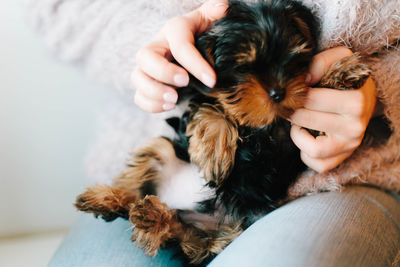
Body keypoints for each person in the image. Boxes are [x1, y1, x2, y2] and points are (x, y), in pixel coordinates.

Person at [26, 0, 400, 265]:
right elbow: (59, 7)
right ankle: (146, 212)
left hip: (346, 178)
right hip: (155, 152)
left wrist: (382, 88)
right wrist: (154, 49)